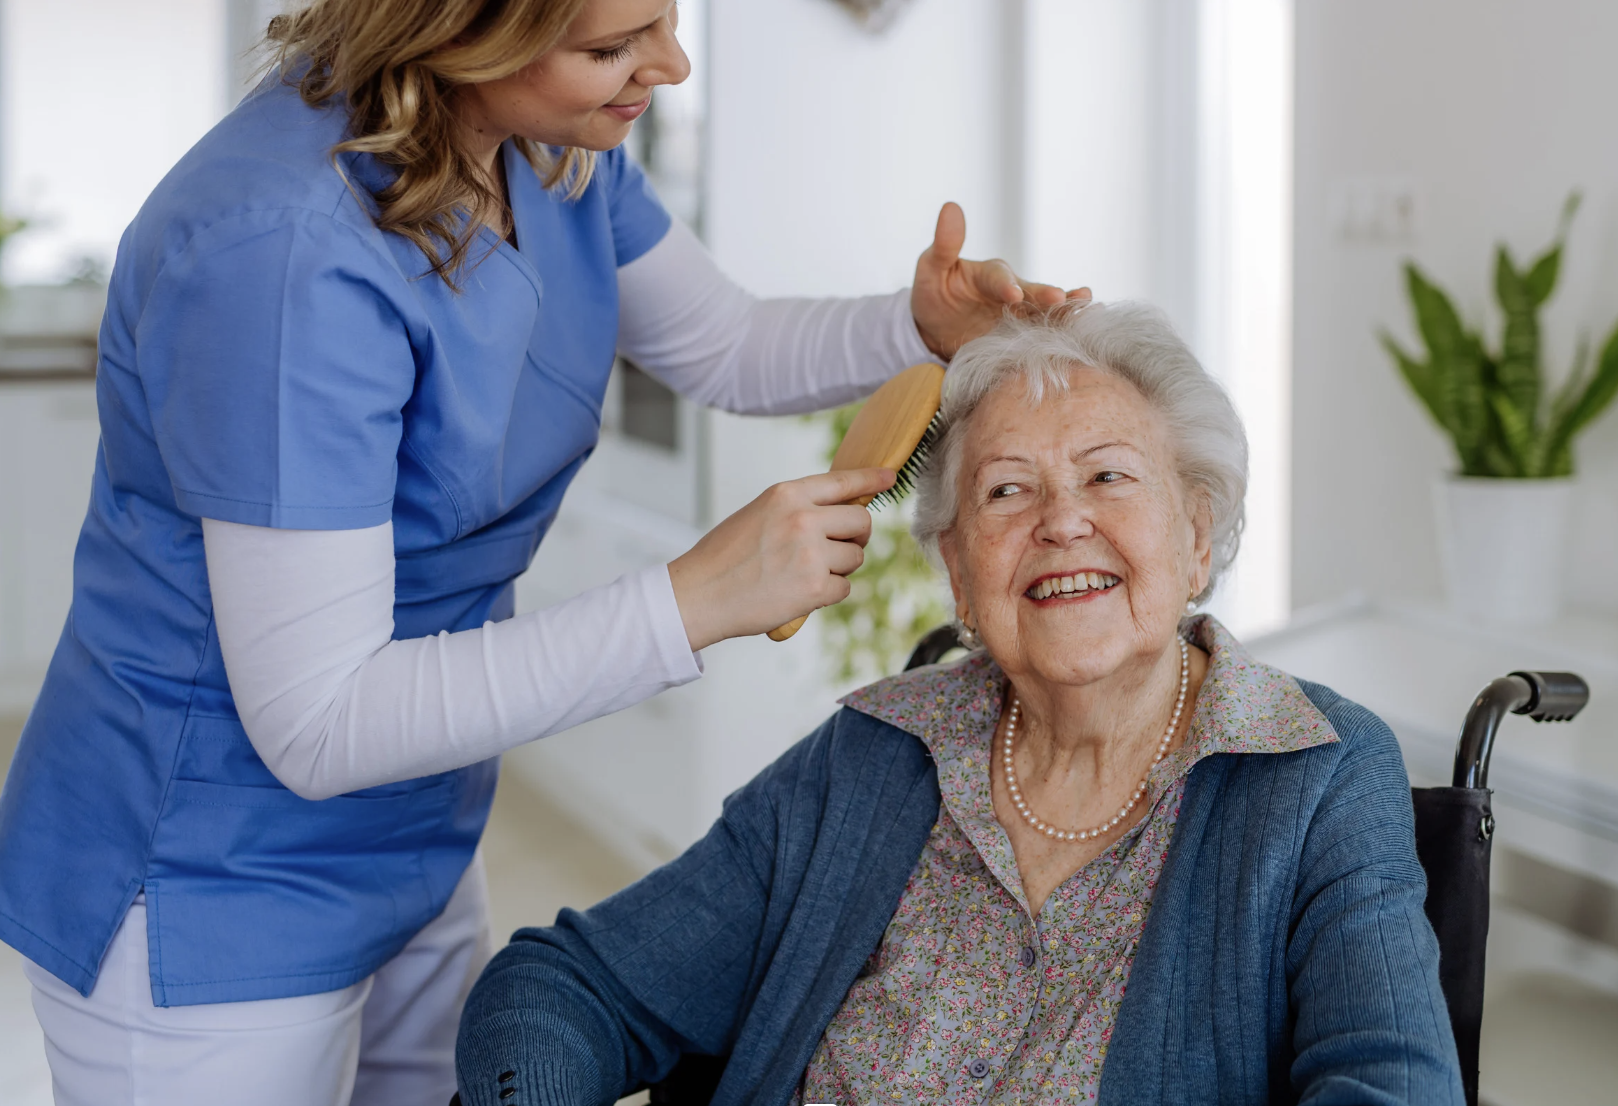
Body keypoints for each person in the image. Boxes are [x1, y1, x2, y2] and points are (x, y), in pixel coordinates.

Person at [0, 0, 1085, 1102]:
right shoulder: (279, 251)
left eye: (664, 14)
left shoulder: (545, 150)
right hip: (206, 877)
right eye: (612, 47)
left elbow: (724, 343)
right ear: (459, 35)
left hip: (414, 821)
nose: (668, 63)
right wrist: (692, 598)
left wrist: (914, 326)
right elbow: (319, 722)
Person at [454, 301, 1466, 1106]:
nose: (1063, 519)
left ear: (1197, 535)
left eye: (1108, 475)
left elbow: (1394, 1083)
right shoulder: (871, 754)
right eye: (1006, 491)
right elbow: (568, 984)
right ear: (957, 572)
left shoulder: (1316, 772)